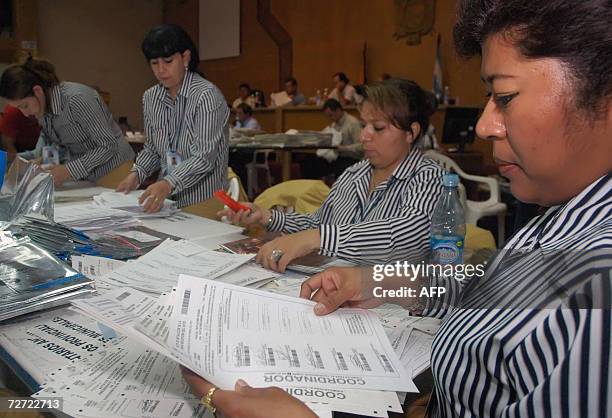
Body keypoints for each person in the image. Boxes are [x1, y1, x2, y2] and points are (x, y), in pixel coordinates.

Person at [181, 1, 611, 416]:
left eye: (505, 96)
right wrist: (379, 281)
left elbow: (399, 233)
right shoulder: (560, 219)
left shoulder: (595, 290)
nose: (483, 124)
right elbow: (477, 279)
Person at [221, 79, 445, 272]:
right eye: (363, 124)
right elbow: (319, 222)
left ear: (411, 133)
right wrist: (267, 217)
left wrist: (316, 238)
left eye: (377, 128)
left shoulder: (430, 177)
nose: (364, 136)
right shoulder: (354, 173)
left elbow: (408, 234)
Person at [116, 24, 229, 213]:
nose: (161, 70)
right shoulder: (151, 97)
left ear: (185, 57)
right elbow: (153, 149)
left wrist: (168, 183)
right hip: (166, 198)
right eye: (154, 63)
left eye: (168, 61)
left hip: (204, 198)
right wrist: (136, 174)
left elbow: (203, 158)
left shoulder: (207, 96)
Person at [0, 58, 134, 187]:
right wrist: (9, 161)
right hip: (86, 176)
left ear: (38, 91)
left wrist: (69, 170)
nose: (25, 113)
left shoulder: (77, 99)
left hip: (115, 172)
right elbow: (42, 151)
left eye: (24, 106)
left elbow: (108, 145)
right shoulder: (43, 110)